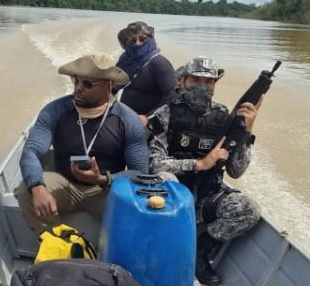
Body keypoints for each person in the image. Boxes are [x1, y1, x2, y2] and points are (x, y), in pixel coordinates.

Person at [148, 56, 262, 286]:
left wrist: (246, 133)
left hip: (206, 195)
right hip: (172, 192)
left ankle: (199, 252)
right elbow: (155, 163)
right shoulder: (164, 114)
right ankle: (160, 250)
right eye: (196, 80)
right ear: (183, 81)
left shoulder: (224, 117)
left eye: (209, 82)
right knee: (165, 179)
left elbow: (236, 171)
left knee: (249, 209)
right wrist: (198, 164)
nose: (203, 86)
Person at [15, 53, 149, 233]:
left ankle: (111, 254)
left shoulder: (127, 119)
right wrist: (37, 187)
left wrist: (103, 179)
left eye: (87, 84)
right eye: (76, 81)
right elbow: (31, 151)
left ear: (108, 85)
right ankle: (57, 244)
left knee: (139, 215)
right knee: (26, 191)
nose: (78, 88)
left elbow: (140, 172)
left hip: (105, 190)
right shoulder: (55, 110)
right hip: (65, 183)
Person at [115, 21, 177, 125]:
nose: (138, 43)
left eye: (143, 39)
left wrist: (148, 118)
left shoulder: (160, 64)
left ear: (151, 40)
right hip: (123, 117)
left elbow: (172, 96)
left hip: (148, 123)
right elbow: (111, 86)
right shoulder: (125, 61)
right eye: (133, 40)